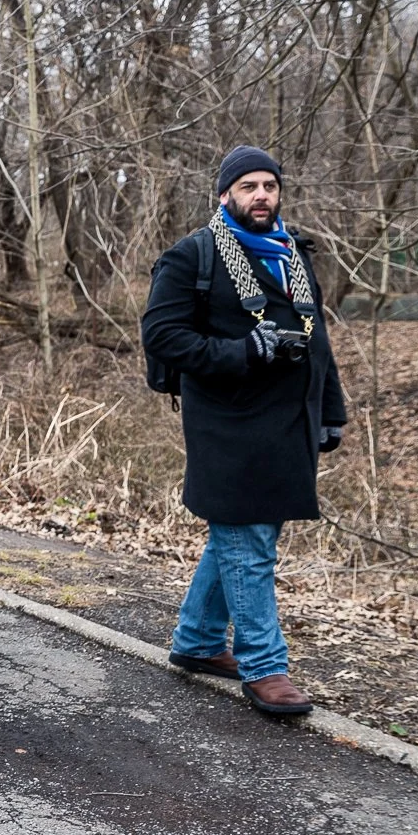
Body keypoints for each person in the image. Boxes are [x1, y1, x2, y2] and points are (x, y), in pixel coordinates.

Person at [140, 146, 347, 717]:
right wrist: (244, 350)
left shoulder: (293, 254)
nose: (261, 195)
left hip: (289, 419)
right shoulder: (192, 257)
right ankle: (266, 667)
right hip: (227, 420)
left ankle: (198, 641)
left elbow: (319, 343)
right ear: (226, 194)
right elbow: (162, 337)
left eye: (269, 186)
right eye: (249, 186)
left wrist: (331, 410)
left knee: (243, 536)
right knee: (248, 540)